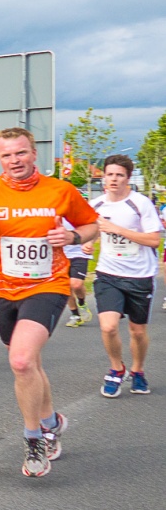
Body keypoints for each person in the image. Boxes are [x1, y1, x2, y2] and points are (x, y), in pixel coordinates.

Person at [0, 127, 98, 477]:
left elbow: (91, 226)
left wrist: (73, 235)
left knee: (20, 360)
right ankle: (52, 422)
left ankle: (33, 440)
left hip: (48, 284)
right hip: (3, 289)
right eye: (7, 155)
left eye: (21, 153)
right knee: (30, 365)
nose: (15, 160)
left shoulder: (60, 190)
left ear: (34, 153)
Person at [81, 155, 163, 396]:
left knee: (137, 331)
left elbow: (153, 240)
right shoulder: (96, 205)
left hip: (140, 275)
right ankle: (117, 369)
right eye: (110, 174)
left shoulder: (141, 204)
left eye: (119, 175)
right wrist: (91, 241)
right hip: (108, 273)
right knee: (108, 327)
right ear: (103, 176)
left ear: (127, 178)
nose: (114, 179)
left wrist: (118, 230)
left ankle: (138, 371)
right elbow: (93, 228)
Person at [63, 219, 93, 327]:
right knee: (66, 286)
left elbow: (94, 228)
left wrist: (90, 242)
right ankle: (75, 315)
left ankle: (82, 303)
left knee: (76, 284)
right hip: (60, 255)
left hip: (79, 253)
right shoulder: (51, 211)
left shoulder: (78, 212)